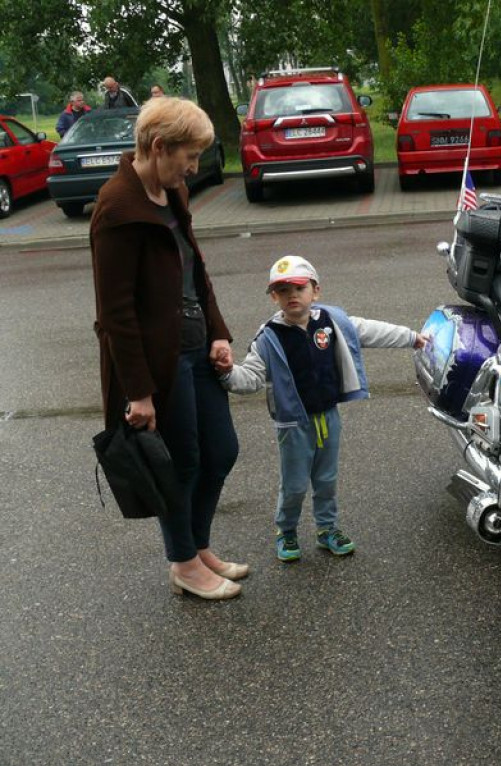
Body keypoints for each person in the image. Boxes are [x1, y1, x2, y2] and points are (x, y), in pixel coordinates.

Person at [90, 96, 243, 600]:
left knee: (221, 450)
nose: (194, 168)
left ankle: (197, 546)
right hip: (160, 360)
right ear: (159, 147)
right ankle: (183, 563)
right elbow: (116, 314)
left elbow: (194, 270)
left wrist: (218, 332)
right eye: (189, 156)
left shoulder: (171, 191)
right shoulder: (117, 209)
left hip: (197, 346)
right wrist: (139, 392)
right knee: (182, 462)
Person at [217, 256, 428, 563]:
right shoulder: (268, 338)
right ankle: (286, 531)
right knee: (294, 484)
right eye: (282, 290)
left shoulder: (332, 322)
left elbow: (370, 330)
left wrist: (411, 337)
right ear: (274, 297)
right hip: (293, 425)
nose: (292, 295)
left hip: (328, 415)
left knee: (326, 479)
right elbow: (249, 378)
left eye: (299, 288)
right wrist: (226, 372)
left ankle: (327, 529)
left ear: (315, 291)